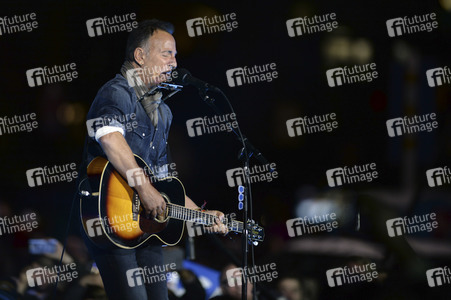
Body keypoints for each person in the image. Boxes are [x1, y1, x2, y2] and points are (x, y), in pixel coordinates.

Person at [79, 19, 227, 300]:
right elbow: (110, 137)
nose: (174, 62)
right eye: (166, 53)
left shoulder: (164, 112)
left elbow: (165, 181)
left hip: (147, 228)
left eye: (175, 55)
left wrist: (201, 214)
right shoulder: (116, 92)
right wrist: (144, 189)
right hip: (112, 221)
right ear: (140, 56)